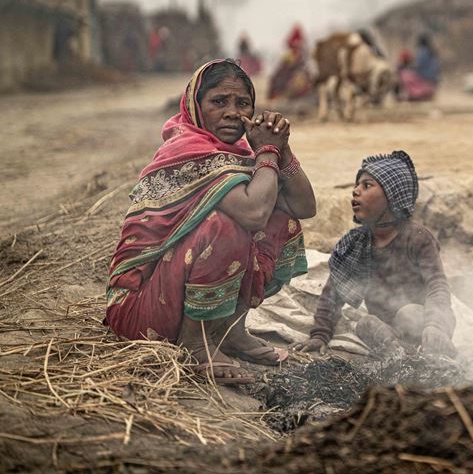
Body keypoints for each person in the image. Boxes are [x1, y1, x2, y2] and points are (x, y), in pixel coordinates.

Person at [105, 59, 317, 385]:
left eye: (242, 103)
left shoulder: (238, 153)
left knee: (281, 219)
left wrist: (282, 150)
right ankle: (195, 345)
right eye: (219, 102)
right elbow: (252, 213)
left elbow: (304, 207)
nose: (232, 112)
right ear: (195, 107)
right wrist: (268, 153)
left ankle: (230, 331)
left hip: (171, 294)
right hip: (138, 308)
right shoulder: (188, 151)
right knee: (226, 226)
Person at [292, 150, 456, 357]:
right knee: (366, 323)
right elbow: (333, 294)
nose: (355, 191)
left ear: (393, 196)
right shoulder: (355, 244)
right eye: (356, 185)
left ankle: (438, 355)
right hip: (391, 328)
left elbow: (437, 286)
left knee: (409, 313)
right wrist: (320, 335)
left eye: (367, 185)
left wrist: (435, 325)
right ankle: (404, 357)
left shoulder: (418, 237)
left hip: (428, 321)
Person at [267, 24, 312, 100]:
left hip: (299, 76)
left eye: (297, 46)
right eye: (294, 46)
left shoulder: (303, 56)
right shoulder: (287, 57)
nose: (296, 48)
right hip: (287, 76)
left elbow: (305, 67)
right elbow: (281, 70)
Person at [398, 33, 441, 101]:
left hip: (426, 79)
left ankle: (415, 94)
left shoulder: (422, 51)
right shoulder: (431, 52)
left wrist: (406, 67)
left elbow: (418, 66)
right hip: (433, 82)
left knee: (405, 75)